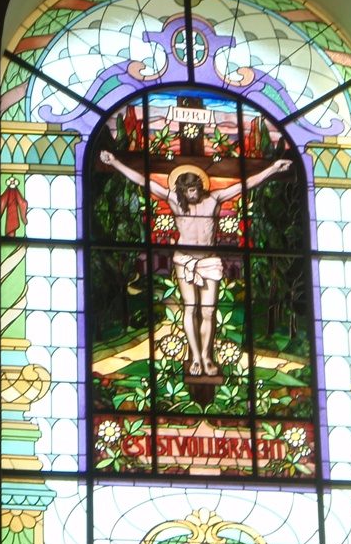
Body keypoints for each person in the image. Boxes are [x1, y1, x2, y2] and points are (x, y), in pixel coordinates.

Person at [99, 149, 292, 377]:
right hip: (185, 260)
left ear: (201, 186)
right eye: (189, 190)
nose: (193, 193)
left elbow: (245, 184)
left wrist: (272, 169)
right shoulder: (174, 200)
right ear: (181, 190)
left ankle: (207, 357)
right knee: (190, 308)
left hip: (209, 261)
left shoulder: (214, 199)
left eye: (196, 188)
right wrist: (115, 162)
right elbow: (143, 181)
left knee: (209, 311)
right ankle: (196, 358)